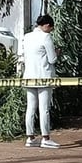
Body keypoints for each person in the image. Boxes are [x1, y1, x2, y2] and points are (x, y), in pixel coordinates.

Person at [20, 14, 60, 149]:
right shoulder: (46, 37)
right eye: (51, 28)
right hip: (44, 76)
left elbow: (23, 56)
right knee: (44, 109)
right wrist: (57, 53)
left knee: (30, 107)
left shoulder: (27, 36)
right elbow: (52, 59)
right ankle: (46, 138)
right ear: (47, 26)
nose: (51, 31)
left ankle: (30, 137)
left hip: (29, 76)